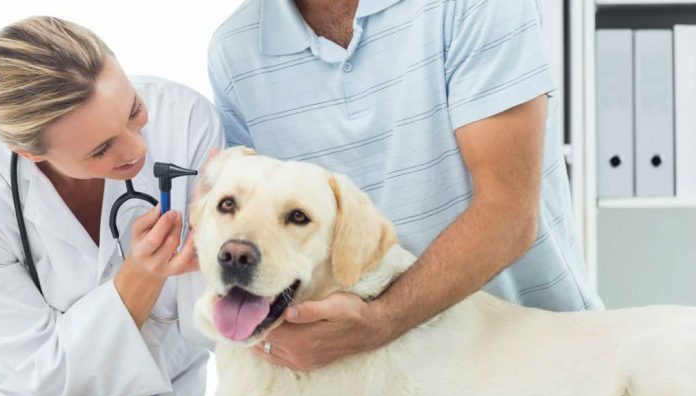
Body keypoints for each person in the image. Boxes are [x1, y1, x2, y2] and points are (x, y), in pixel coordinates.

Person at [207, 0, 604, 372]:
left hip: (535, 364)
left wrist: (382, 320)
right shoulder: (236, 50)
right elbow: (268, 242)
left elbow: (509, 214)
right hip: (370, 378)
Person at [0, 16, 222, 396]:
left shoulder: (184, 120)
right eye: (101, 149)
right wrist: (141, 275)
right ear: (30, 153)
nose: (137, 149)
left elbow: (211, 320)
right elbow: (44, 376)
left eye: (133, 111)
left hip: (166, 389)